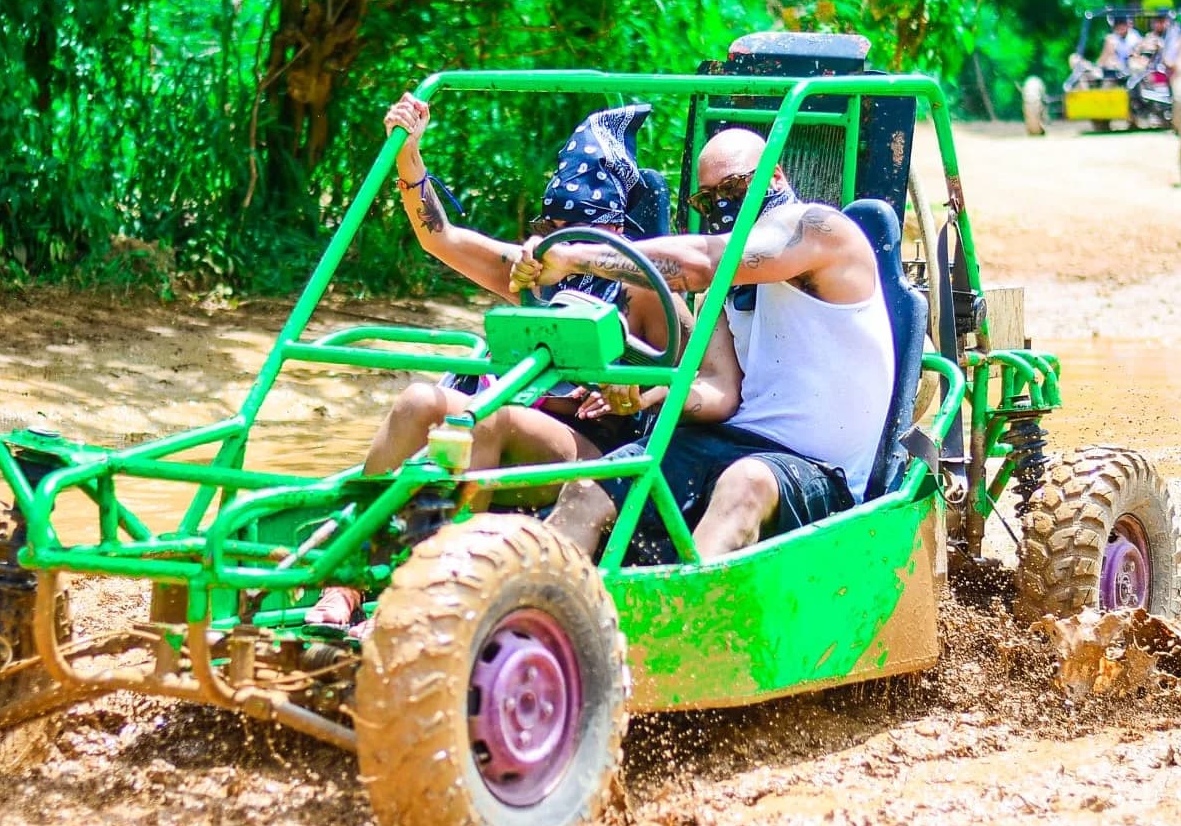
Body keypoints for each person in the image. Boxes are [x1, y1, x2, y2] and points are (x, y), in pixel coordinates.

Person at [305, 97, 742, 628]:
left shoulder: (647, 292)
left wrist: (640, 389)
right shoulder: (535, 270)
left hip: (594, 451)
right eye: (547, 222)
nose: (554, 239)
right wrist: (409, 154)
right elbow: (439, 235)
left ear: (613, 230)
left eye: (572, 227)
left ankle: (420, 601)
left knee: (484, 417)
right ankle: (343, 583)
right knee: (418, 401)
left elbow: (704, 384)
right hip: (513, 423)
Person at [511, 127, 894, 562]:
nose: (722, 205)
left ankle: (688, 622)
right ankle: (543, 613)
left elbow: (708, 261)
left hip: (821, 469)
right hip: (731, 440)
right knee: (588, 488)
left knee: (744, 483)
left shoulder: (821, 231)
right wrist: (646, 395)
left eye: (733, 188)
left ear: (775, 177)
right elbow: (719, 391)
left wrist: (579, 257)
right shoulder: (726, 287)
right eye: (707, 200)